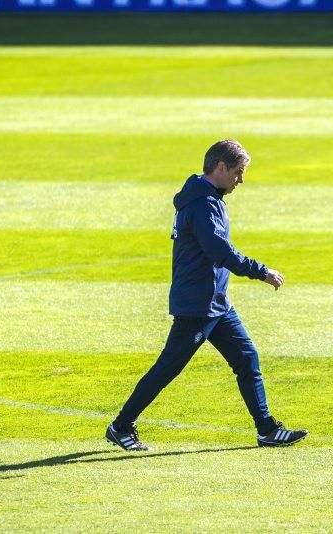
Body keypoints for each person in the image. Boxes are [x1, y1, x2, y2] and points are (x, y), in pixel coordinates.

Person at [106, 139, 308, 451]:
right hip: (197, 306)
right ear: (221, 168)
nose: (241, 180)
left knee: (246, 357)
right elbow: (219, 251)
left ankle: (267, 429)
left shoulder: (205, 197)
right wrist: (261, 271)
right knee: (167, 368)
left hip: (216, 304)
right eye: (239, 172)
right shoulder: (202, 204)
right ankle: (121, 426)